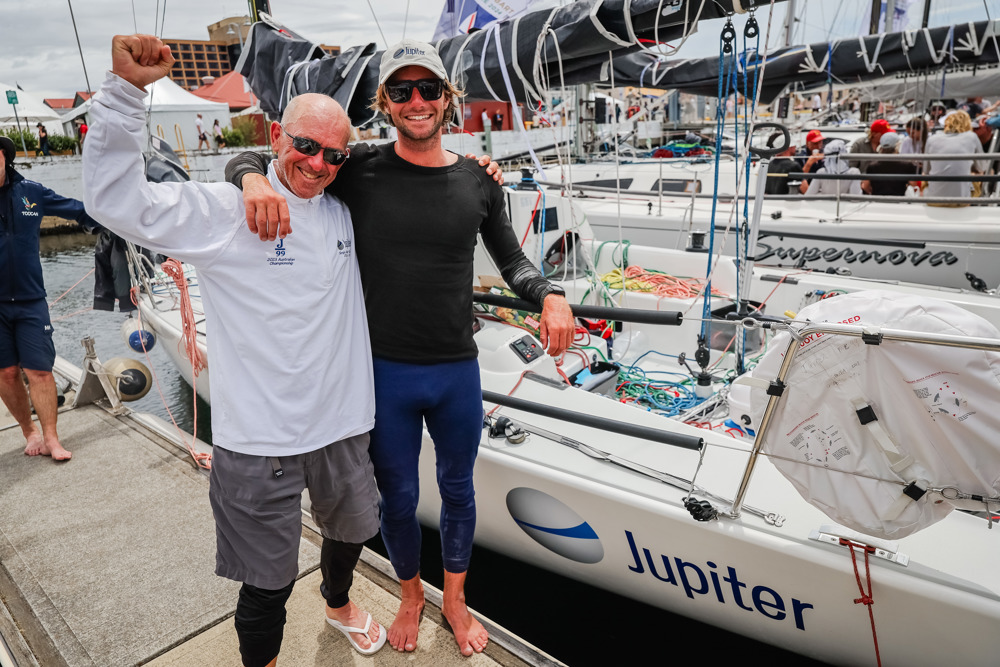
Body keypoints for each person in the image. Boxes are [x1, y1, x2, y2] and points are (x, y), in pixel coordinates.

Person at [226, 38, 576, 657]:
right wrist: (253, 178)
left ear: (448, 99)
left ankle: (457, 600)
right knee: (399, 497)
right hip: (382, 372)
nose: (418, 101)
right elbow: (266, 154)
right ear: (384, 102)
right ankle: (412, 595)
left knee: (460, 488)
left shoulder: (477, 179)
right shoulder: (357, 169)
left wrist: (549, 295)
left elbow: (515, 261)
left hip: (455, 371)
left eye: (429, 90)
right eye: (403, 91)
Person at [83, 34, 387, 666]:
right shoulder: (224, 212)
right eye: (305, 146)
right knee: (267, 581)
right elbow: (115, 201)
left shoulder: (344, 206)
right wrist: (125, 93)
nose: (318, 163)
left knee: (353, 532)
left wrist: (481, 172)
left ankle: (338, 604)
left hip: (342, 425)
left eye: (333, 154)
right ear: (279, 136)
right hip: (259, 440)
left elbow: (419, 176)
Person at [0, 136, 100, 463]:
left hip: (30, 300)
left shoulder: (31, 191)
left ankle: (52, 438)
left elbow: (76, 210)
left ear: (4, 157)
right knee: (7, 374)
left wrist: (113, 222)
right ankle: (29, 431)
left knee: (39, 370)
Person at [923, 109, 983, 202]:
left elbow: (926, 171)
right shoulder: (971, 137)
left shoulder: (932, 139)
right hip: (961, 200)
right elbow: (981, 167)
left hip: (934, 200)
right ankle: (980, 201)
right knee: (985, 172)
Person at [861, 132, 918, 196]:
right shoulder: (908, 165)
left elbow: (865, 187)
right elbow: (913, 186)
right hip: (900, 201)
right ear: (898, 146)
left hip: (877, 200)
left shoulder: (872, 166)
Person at [796, 129, 826, 194]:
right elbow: (800, 178)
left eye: (820, 142)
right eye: (815, 143)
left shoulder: (826, 154)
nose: (818, 146)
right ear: (807, 144)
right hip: (808, 189)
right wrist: (809, 163)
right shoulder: (800, 157)